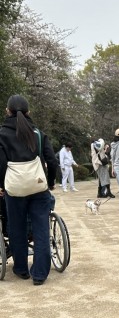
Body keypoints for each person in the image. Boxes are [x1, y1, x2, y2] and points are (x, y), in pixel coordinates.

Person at [0, 94, 57, 284]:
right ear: (28, 112)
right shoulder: (38, 134)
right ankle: (39, 274)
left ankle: (21, 269)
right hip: (38, 187)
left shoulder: (2, 134)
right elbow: (52, 161)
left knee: (17, 229)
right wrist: (50, 182)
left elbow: (0, 165)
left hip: (14, 189)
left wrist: (2, 185)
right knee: (41, 229)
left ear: (7, 111)